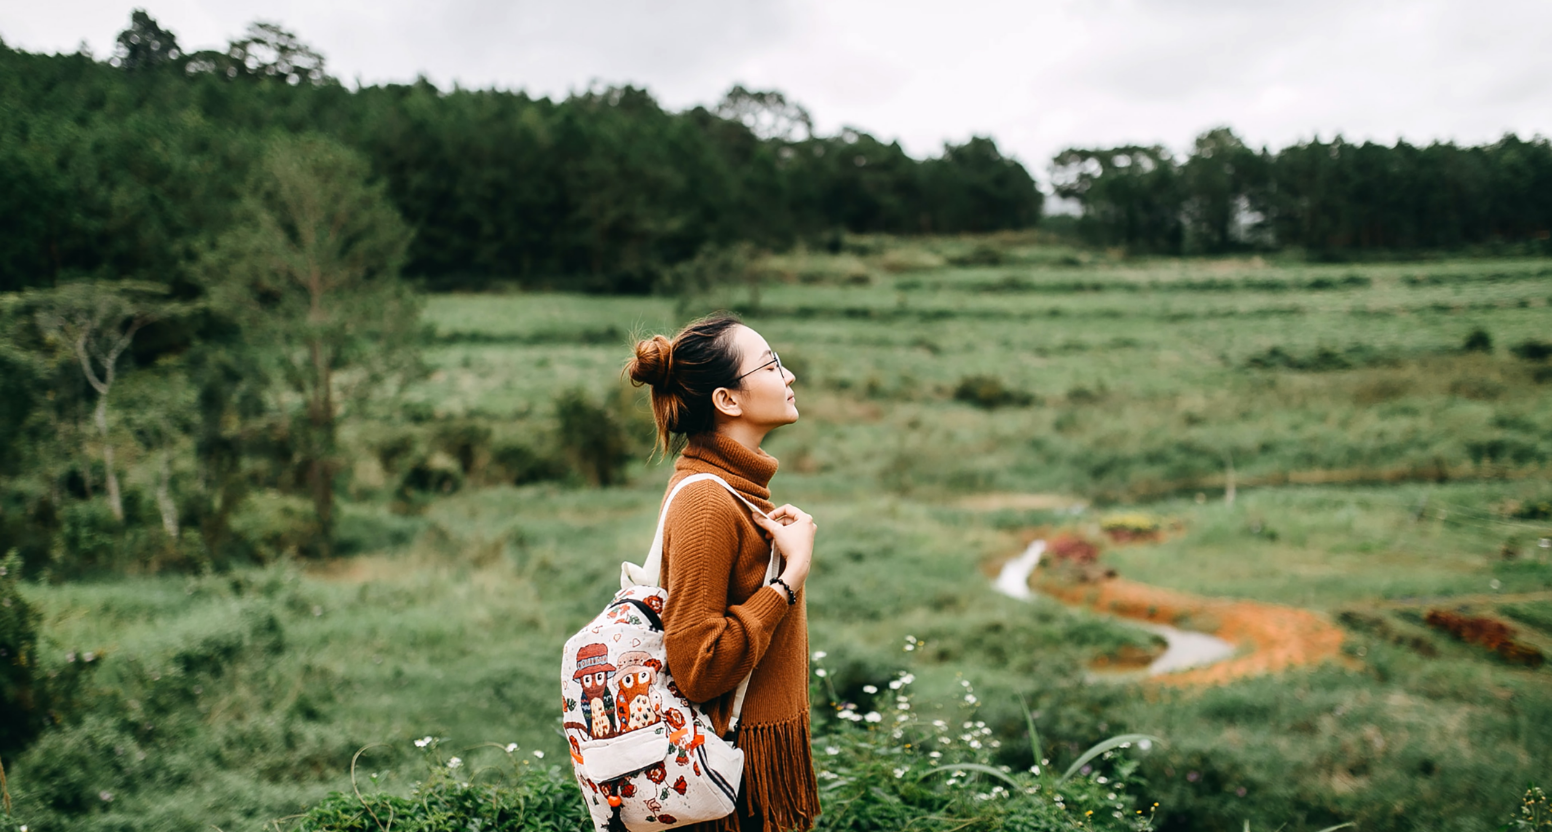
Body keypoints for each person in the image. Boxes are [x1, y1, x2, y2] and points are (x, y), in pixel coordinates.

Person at [625, 314, 820, 832]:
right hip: (732, 790)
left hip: (749, 771)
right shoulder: (707, 503)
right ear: (727, 400)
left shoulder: (733, 489)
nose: (790, 375)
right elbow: (698, 667)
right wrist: (788, 579)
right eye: (772, 364)